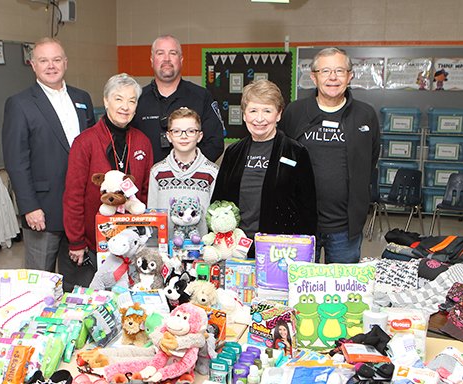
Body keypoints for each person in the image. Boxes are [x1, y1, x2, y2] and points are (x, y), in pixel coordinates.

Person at [2, 37, 95, 287]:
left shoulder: (82, 98)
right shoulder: (19, 104)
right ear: (33, 65)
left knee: (77, 280)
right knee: (38, 282)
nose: (51, 66)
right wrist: (29, 206)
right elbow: (16, 160)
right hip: (43, 209)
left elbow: (93, 149)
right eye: (43, 60)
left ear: (65, 63)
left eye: (56, 59)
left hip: (79, 207)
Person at [282, 47, 380, 264]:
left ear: (350, 76)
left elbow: (370, 158)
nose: (333, 77)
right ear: (313, 77)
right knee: (300, 290)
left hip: (345, 228)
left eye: (340, 71)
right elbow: (283, 156)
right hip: (301, 224)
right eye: (325, 71)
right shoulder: (295, 112)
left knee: (343, 293)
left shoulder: (365, 115)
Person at [63, 73, 153, 290]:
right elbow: (73, 195)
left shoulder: (142, 141)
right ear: (105, 101)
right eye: (119, 99)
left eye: (132, 101)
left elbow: (146, 191)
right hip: (95, 242)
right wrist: (76, 241)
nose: (125, 107)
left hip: (133, 242)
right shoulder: (85, 142)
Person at [211, 79, 317, 256]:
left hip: (280, 249)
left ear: (278, 115)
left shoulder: (295, 152)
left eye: (267, 111)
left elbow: (307, 208)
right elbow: (219, 202)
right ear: (244, 114)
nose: (259, 119)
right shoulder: (233, 152)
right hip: (236, 246)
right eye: (253, 111)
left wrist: (304, 249)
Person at [131, 34, 225, 163]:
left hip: (191, 180)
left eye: (173, 53)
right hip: (147, 180)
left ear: (181, 60)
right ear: (152, 61)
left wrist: (190, 170)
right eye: (160, 53)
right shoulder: (137, 99)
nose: (167, 59)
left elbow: (215, 143)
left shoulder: (202, 96)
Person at [147, 107, 219, 237]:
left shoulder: (212, 172)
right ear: (169, 136)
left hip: (201, 251)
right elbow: (152, 215)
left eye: (191, 131)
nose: (184, 136)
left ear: (199, 136)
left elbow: (216, 218)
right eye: (177, 131)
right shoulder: (157, 171)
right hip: (166, 250)